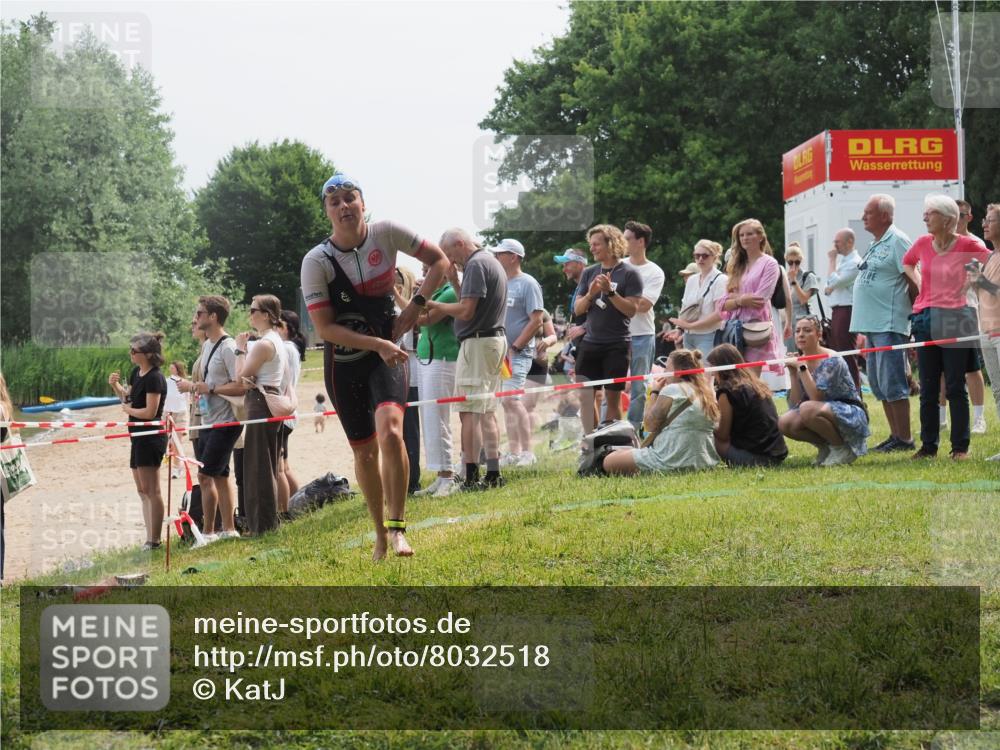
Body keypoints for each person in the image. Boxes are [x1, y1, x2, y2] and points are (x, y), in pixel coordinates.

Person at [301, 173, 448, 559]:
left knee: (392, 433)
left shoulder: (387, 233)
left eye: (350, 198)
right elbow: (325, 328)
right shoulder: (317, 261)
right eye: (335, 202)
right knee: (364, 452)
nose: (344, 206)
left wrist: (415, 307)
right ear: (327, 212)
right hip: (345, 362)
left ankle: (398, 528)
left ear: (363, 203)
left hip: (389, 355)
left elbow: (439, 261)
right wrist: (379, 343)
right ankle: (379, 533)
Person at [904, 195, 990, 461]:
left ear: (948, 219)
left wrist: (972, 282)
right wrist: (918, 280)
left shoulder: (969, 244)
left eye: (930, 213)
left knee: (955, 385)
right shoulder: (921, 243)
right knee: (929, 386)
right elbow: (907, 262)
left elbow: (991, 263)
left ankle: (960, 448)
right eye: (926, 213)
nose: (924, 218)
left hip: (957, 317)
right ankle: (928, 446)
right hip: (925, 317)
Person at [425, 228, 507, 490]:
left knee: (469, 412)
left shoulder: (475, 264)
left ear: (460, 244)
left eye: (450, 254)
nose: (451, 261)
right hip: (493, 341)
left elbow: (466, 311)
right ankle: (493, 473)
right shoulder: (489, 261)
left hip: (478, 343)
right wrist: (456, 283)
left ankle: (471, 476)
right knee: (487, 410)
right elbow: (472, 304)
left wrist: (436, 305)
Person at [850, 194, 915, 453]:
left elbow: (913, 278)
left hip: (889, 324)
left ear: (885, 216)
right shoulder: (877, 243)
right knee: (878, 384)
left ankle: (905, 438)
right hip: (872, 325)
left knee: (893, 382)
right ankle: (895, 435)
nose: (863, 217)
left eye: (869, 212)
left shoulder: (898, 240)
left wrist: (911, 312)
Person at [177, 295, 242, 540]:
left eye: (200, 313)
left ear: (213, 317)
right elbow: (206, 384)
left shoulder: (228, 347)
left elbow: (240, 386)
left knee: (205, 475)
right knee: (221, 475)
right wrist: (193, 386)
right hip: (207, 418)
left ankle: (209, 532)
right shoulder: (206, 346)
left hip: (225, 421)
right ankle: (228, 529)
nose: (196, 318)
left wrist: (209, 388)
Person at [601, 349, 720, 475]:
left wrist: (654, 392)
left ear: (678, 373)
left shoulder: (672, 390)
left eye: (667, 369)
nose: (664, 373)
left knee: (608, 461)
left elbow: (649, 425)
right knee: (624, 453)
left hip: (670, 459)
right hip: (704, 461)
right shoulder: (707, 393)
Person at [573, 224, 644, 433]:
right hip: (590, 344)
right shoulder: (588, 273)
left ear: (611, 244)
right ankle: (591, 443)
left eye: (596, 244)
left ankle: (611, 446)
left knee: (613, 400)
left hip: (617, 345)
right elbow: (578, 310)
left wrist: (610, 293)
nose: (592, 248)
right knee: (586, 397)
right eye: (591, 244)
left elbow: (631, 310)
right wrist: (591, 294)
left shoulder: (630, 273)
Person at [779, 316, 870, 466]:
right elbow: (794, 404)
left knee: (807, 408)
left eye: (807, 330)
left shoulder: (831, 359)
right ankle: (827, 447)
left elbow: (816, 397)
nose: (801, 334)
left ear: (819, 335)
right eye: (797, 331)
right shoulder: (801, 362)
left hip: (850, 412)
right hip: (820, 410)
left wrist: (802, 368)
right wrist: (793, 373)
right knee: (785, 422)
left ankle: (841, 448)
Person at [108, 332, 169, 550]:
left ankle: (155, 540)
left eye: (134, 350)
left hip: (151, 436)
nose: (131, 353)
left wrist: (129, 409)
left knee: (153, 490)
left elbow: (151, 412)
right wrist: (116, 387)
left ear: (148, 354)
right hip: (137, 435)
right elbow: (129, 397)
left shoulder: (155, 377)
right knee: (142, 490)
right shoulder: (137, 372)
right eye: (131, 350)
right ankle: (149, 537)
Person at [234, 294, 286, 534]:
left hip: (260, 402)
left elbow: (240, 378)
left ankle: (261, 526)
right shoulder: (275, 340)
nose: (250, 314)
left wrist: (239, 350)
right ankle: (264, 523)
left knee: (258, 466)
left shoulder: (265, 343)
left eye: (253, 310)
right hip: (267, 399)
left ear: (266, 314)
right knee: (266, 464)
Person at [493, 238, 545, 467]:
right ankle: (513, 452)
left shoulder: (528, 283)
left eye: (500, 254)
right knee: (506, 402)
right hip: (500, 354)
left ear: (513, 256)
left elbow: (536, 320)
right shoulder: (501, 282)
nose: (496, 257)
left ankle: (527, 452)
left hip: (518, 353)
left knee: (512, 400)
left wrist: (515, 348)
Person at [413, 263, 461, 497]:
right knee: (429, 418)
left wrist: (417, 298)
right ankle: (440, 475)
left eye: (428, 269)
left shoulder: (450, 291)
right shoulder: (436, 293)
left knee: (439, 418)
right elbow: (417, 316)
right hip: (427, 358)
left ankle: (448, 475)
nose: (424, 273)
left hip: (443, 358)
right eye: (423, 269)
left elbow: (424, 320)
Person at [716, 219, 786, 378]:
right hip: (733, 330)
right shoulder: (736, 265)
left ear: (760, 236)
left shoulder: (769, 263)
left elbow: (760, 299)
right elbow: (722, 304)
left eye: (749, 234)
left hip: (755, 329)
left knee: (751, 382)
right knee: (733, 381)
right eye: (741, 235)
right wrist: (741, 300)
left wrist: (736, 299)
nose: (745, 238)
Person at [706, 344, 787, 467]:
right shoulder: (756, 384)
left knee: (707, 435)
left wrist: (708, 425)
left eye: (712, 367)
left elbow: (723, 435)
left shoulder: (727, 391)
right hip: (777, 454)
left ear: (721, 368)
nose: (712, 374)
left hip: (756, 458)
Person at [950, 199, 989, 434]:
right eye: (954, 215)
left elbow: (978, 281)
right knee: (946, 370)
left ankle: (979, 418)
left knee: (971, 367)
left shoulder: (975, 243)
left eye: (962, 216)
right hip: (945, 311)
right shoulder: (942, 243)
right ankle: (943, 418)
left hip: (968, 310)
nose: (958, 220)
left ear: (969, 218)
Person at [623, 221, 665, 431]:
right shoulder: (617, 266)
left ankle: (633, 430)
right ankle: (607, 429)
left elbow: (645, 305)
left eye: (627, 238)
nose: (623, 242)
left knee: (639, 387)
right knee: (610, 386)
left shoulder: (654, 271)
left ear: (640, 242)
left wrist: (617, 299)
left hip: (642, 334)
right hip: (615, 335)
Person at [968, 202, 1000, 460]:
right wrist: (975, 281)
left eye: (990, 220)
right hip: (987, 332)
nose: (984, 224)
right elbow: (985, 295)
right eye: (984, 220)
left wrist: (982, 282)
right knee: (998, 391)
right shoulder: (990, 256)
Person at [668, 240, 727, 353]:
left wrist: (690, 326)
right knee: (690, 371)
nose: (700, 259)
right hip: (688, 337)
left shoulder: (721, 280)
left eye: (705, 256)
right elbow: (685, 308)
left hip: (709, 335)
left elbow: (719, 314)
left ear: (714, 258)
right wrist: (679, 329)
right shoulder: (691, 280)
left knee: (706, 370)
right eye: (697, 255)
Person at [393, 267, 422, 494]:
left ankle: (412, 480)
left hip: (410, 375)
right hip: (397, 374)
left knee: (409, 431)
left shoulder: (412, 307)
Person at [823, 228, 862, 389]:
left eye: (837, 242)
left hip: (847, 309)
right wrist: (833, 283)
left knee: (846, 351)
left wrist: (831, 261)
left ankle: (855, 390)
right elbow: (828, 284)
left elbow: (833, 283)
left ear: (849, 242)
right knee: (838, 350)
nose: (835, 246)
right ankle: (844, 387)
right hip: (838, 309)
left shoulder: (855, 263)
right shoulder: (844, 261)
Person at [276, 309, 305, 514]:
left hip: (281, 410)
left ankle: (284, 511)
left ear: (286, 328)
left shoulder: (285, 348)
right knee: (284, 466)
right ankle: (299, 504)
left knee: (279, 468)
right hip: (288, 411)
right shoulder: (292, 348)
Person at [553, 248, 588, 379]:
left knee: (594, 390)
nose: (564, 269)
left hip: (593, 345)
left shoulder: (592, 284)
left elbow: (606, 312)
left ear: (579, 263)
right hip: (580, 347)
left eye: (566, 264)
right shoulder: (580, 286)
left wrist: (584, 327)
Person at [783, 243, 821, 351]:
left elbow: (803, 299)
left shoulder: (808, 276)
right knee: (790, 355)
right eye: (790, 262)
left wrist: (794, 281)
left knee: (806, 353)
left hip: (804, 321)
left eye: (797, 262)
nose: (794, 265)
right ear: (786, 260)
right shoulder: (784, 277)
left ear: (801, 260)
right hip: (788, 322)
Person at [187, 318, 208, 461]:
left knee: (207, 469)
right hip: (198, 409)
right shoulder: (203, 348)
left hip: (205, 411)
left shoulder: (209, 348)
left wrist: (189, 386)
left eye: (195, 323)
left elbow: (206, 384)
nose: (192, 326)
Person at [164, 361, 189, 478]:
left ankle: (177, 468)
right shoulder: (166, 381)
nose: (171, 370)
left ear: (177, 369)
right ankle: (177, 466)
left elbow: (188, 400)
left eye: (173, 368)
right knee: (170, 442)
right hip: (169, 413)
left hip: (181, 413)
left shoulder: (184, 382)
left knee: (177, 442)